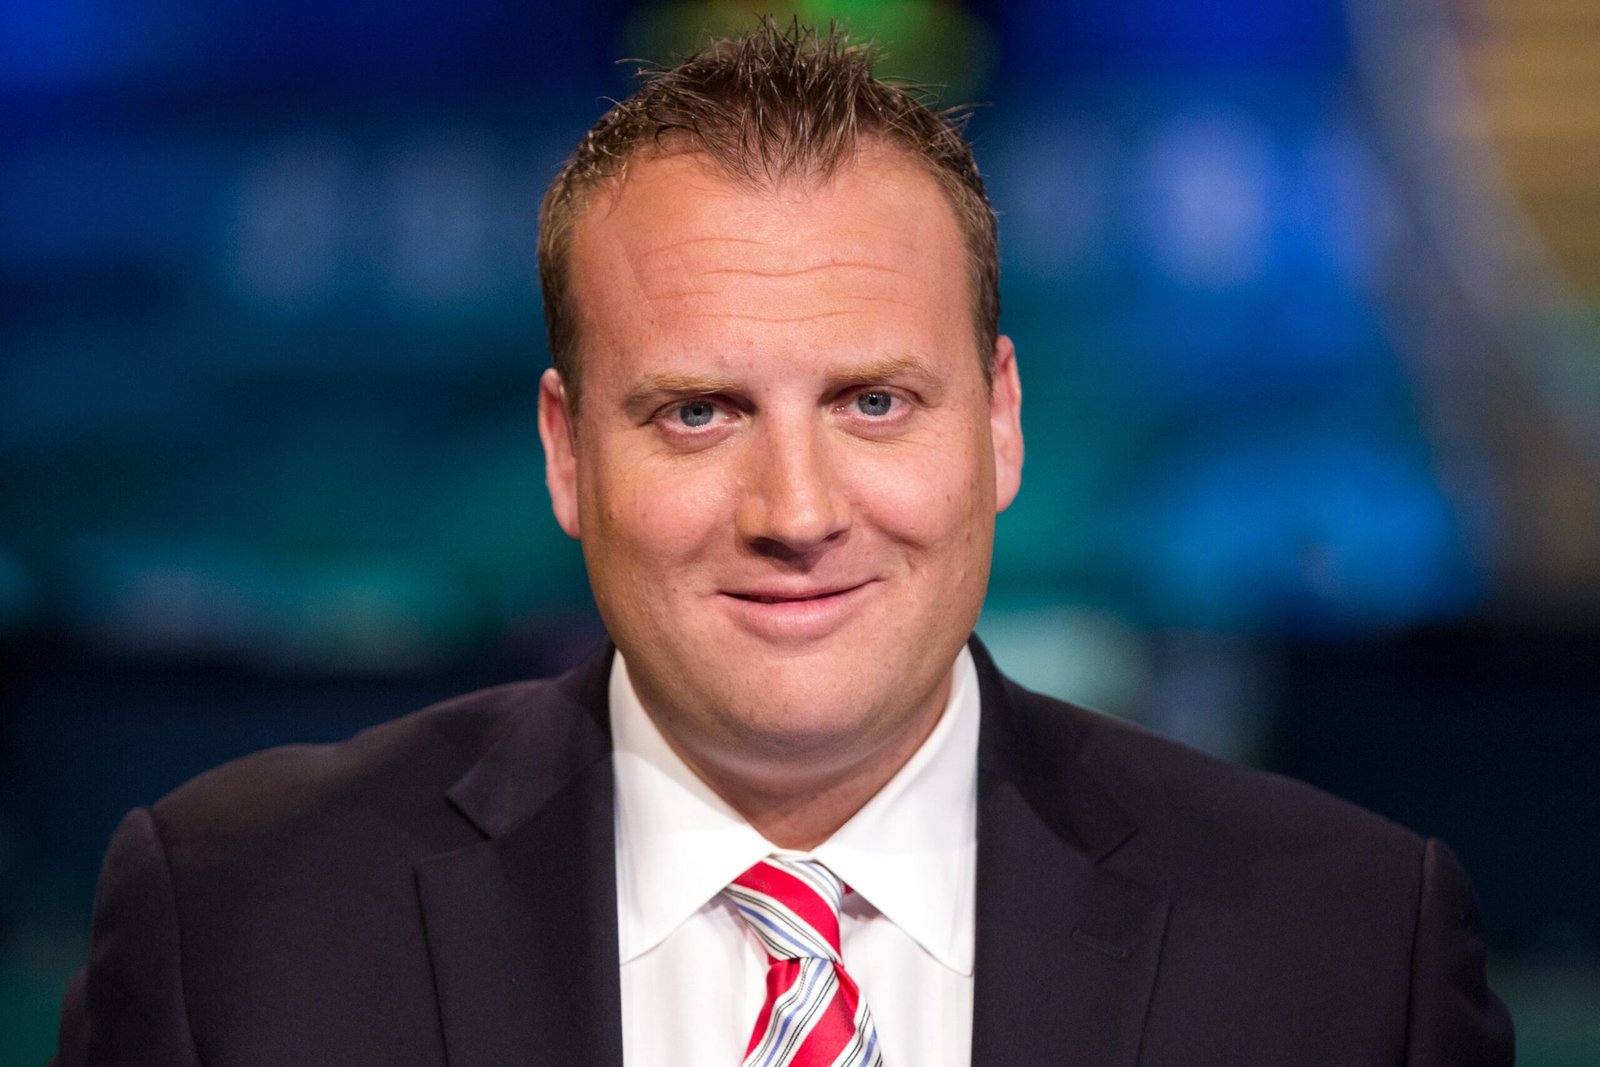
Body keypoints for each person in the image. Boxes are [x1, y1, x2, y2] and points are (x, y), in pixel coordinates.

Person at [55, 19, 1512, 1066]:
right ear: (567, 453)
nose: (798, 512)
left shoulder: (1347, 953)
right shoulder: (238, 924)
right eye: (698, 413)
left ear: (1001, 425)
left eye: (874, 403)